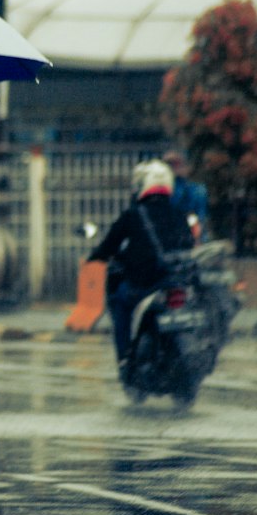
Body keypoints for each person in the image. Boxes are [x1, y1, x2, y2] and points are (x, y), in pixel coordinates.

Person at [88, 158, 194, 369]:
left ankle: (125, 358)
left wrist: (96, 257)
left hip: (145, 284)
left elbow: (109, 245)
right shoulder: (180, 215)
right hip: (176, 281)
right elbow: (189, 243)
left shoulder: (133, 215)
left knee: (120, 303)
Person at [163, 149, 209, 241]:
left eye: (177, 164)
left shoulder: (198, 191)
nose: (174, 169)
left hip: (189, 235)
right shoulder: (161, 192)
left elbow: (200, 218)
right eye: (170, 165)